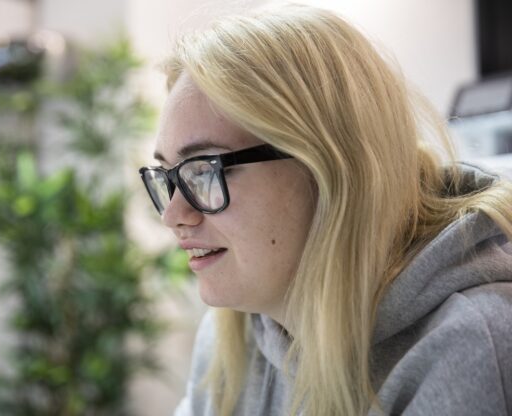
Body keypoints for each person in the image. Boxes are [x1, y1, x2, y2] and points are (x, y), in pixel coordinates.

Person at [138, 3, 512, 415]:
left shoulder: (471, 347)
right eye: (168, 175)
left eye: (204, 169)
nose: (172, 215)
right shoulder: (236, 330)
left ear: (328, 168)